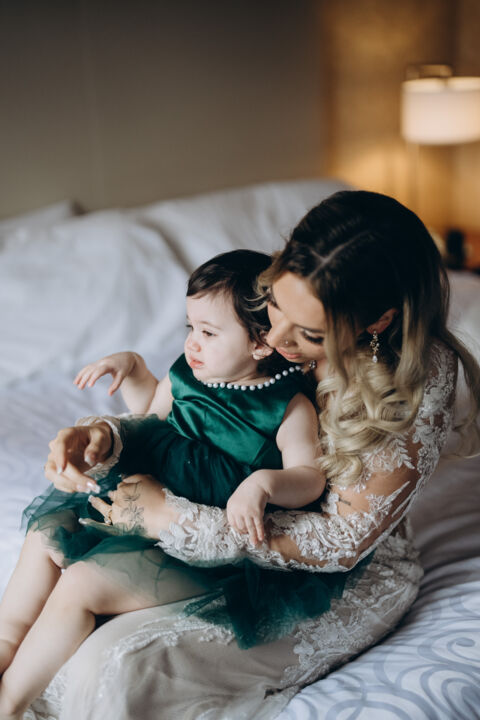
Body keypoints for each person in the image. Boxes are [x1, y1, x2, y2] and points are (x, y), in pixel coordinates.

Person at [6, 190, 480, 720]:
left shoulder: (414, 381)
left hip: (327, 570)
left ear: (377, 323)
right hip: (211, 506)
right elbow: (189, 418)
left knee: (113, 666)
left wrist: (174, 518)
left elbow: (342, 540)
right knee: (55, 559)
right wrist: (103, 436)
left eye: (310, 333)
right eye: (274, 305)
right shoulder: (251, 316)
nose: (273, 338)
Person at [0, 250, 333, 719]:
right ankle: (6, 643)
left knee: (81, 583)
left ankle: (10, 703)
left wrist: (265, 484)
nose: (193, 342)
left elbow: (310, 478)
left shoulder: (287, 408)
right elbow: (150, 426)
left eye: (209, 333)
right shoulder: (184, 375)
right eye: (189, 327)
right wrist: (137, 372)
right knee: (44, 536)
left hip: (197, 543)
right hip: (137, 504)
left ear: (262, 343)